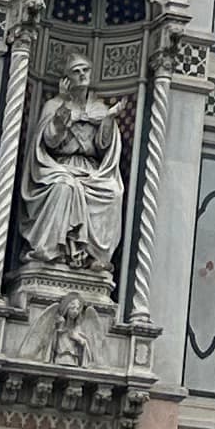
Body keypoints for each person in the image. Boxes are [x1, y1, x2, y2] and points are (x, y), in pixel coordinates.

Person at [21, 58, 127, 282]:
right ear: (66, 78)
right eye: (76, 71)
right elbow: (49, 142)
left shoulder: (99, 108)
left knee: (113, 192)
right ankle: (52, 252)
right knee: (64, 186)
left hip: (91, 169)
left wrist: (108, 120)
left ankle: (95, 258)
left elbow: (104, 146)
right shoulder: (54, 106)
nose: (82, 75)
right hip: (59, 165)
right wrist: (62, 112)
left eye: (86, 70)